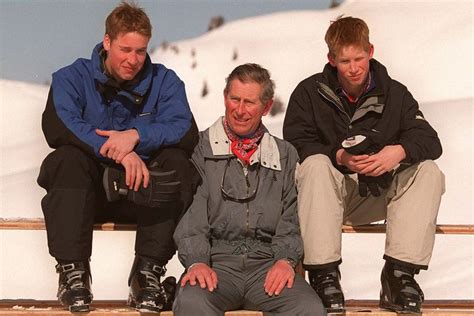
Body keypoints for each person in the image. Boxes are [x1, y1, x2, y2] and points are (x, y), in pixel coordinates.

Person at [37, 2, 199, 313]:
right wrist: (120, 152)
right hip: (88, 193)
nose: (133, 59)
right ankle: (74, 275)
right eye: (125, 49)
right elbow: (60, 126)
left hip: (145, 192)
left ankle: (147, 274)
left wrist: (136, 136)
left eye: (141, 51)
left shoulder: (165, 81)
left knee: (179, 163)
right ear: (107, 41)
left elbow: (183, 128)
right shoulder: (72, 77)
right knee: (65, 160)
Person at [283, 16, 445, 313]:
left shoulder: (396, 93)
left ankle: (399, 276)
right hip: (323, 198)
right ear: (331, 59)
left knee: (428, 171)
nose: (354, 67)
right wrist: (339, 156)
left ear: (371, 51)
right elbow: (293, 143)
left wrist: (397, 152)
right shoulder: (309, 93)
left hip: (378, 193)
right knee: (316, 164)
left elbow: (430, 141)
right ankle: (324, 276)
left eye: (359, 58)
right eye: (345, 61)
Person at [172, 63, 325, 316]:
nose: (240, 110)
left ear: (266, 107)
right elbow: (191, 214)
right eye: (235, 99)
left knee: (309, 308)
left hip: (267, 267)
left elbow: (291, 217)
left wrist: (286, 260)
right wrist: (197, 261)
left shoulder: (284, 154)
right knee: (192, 304)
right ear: (225, 98)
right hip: (215, 265)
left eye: (250, 103)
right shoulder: (200, 149)